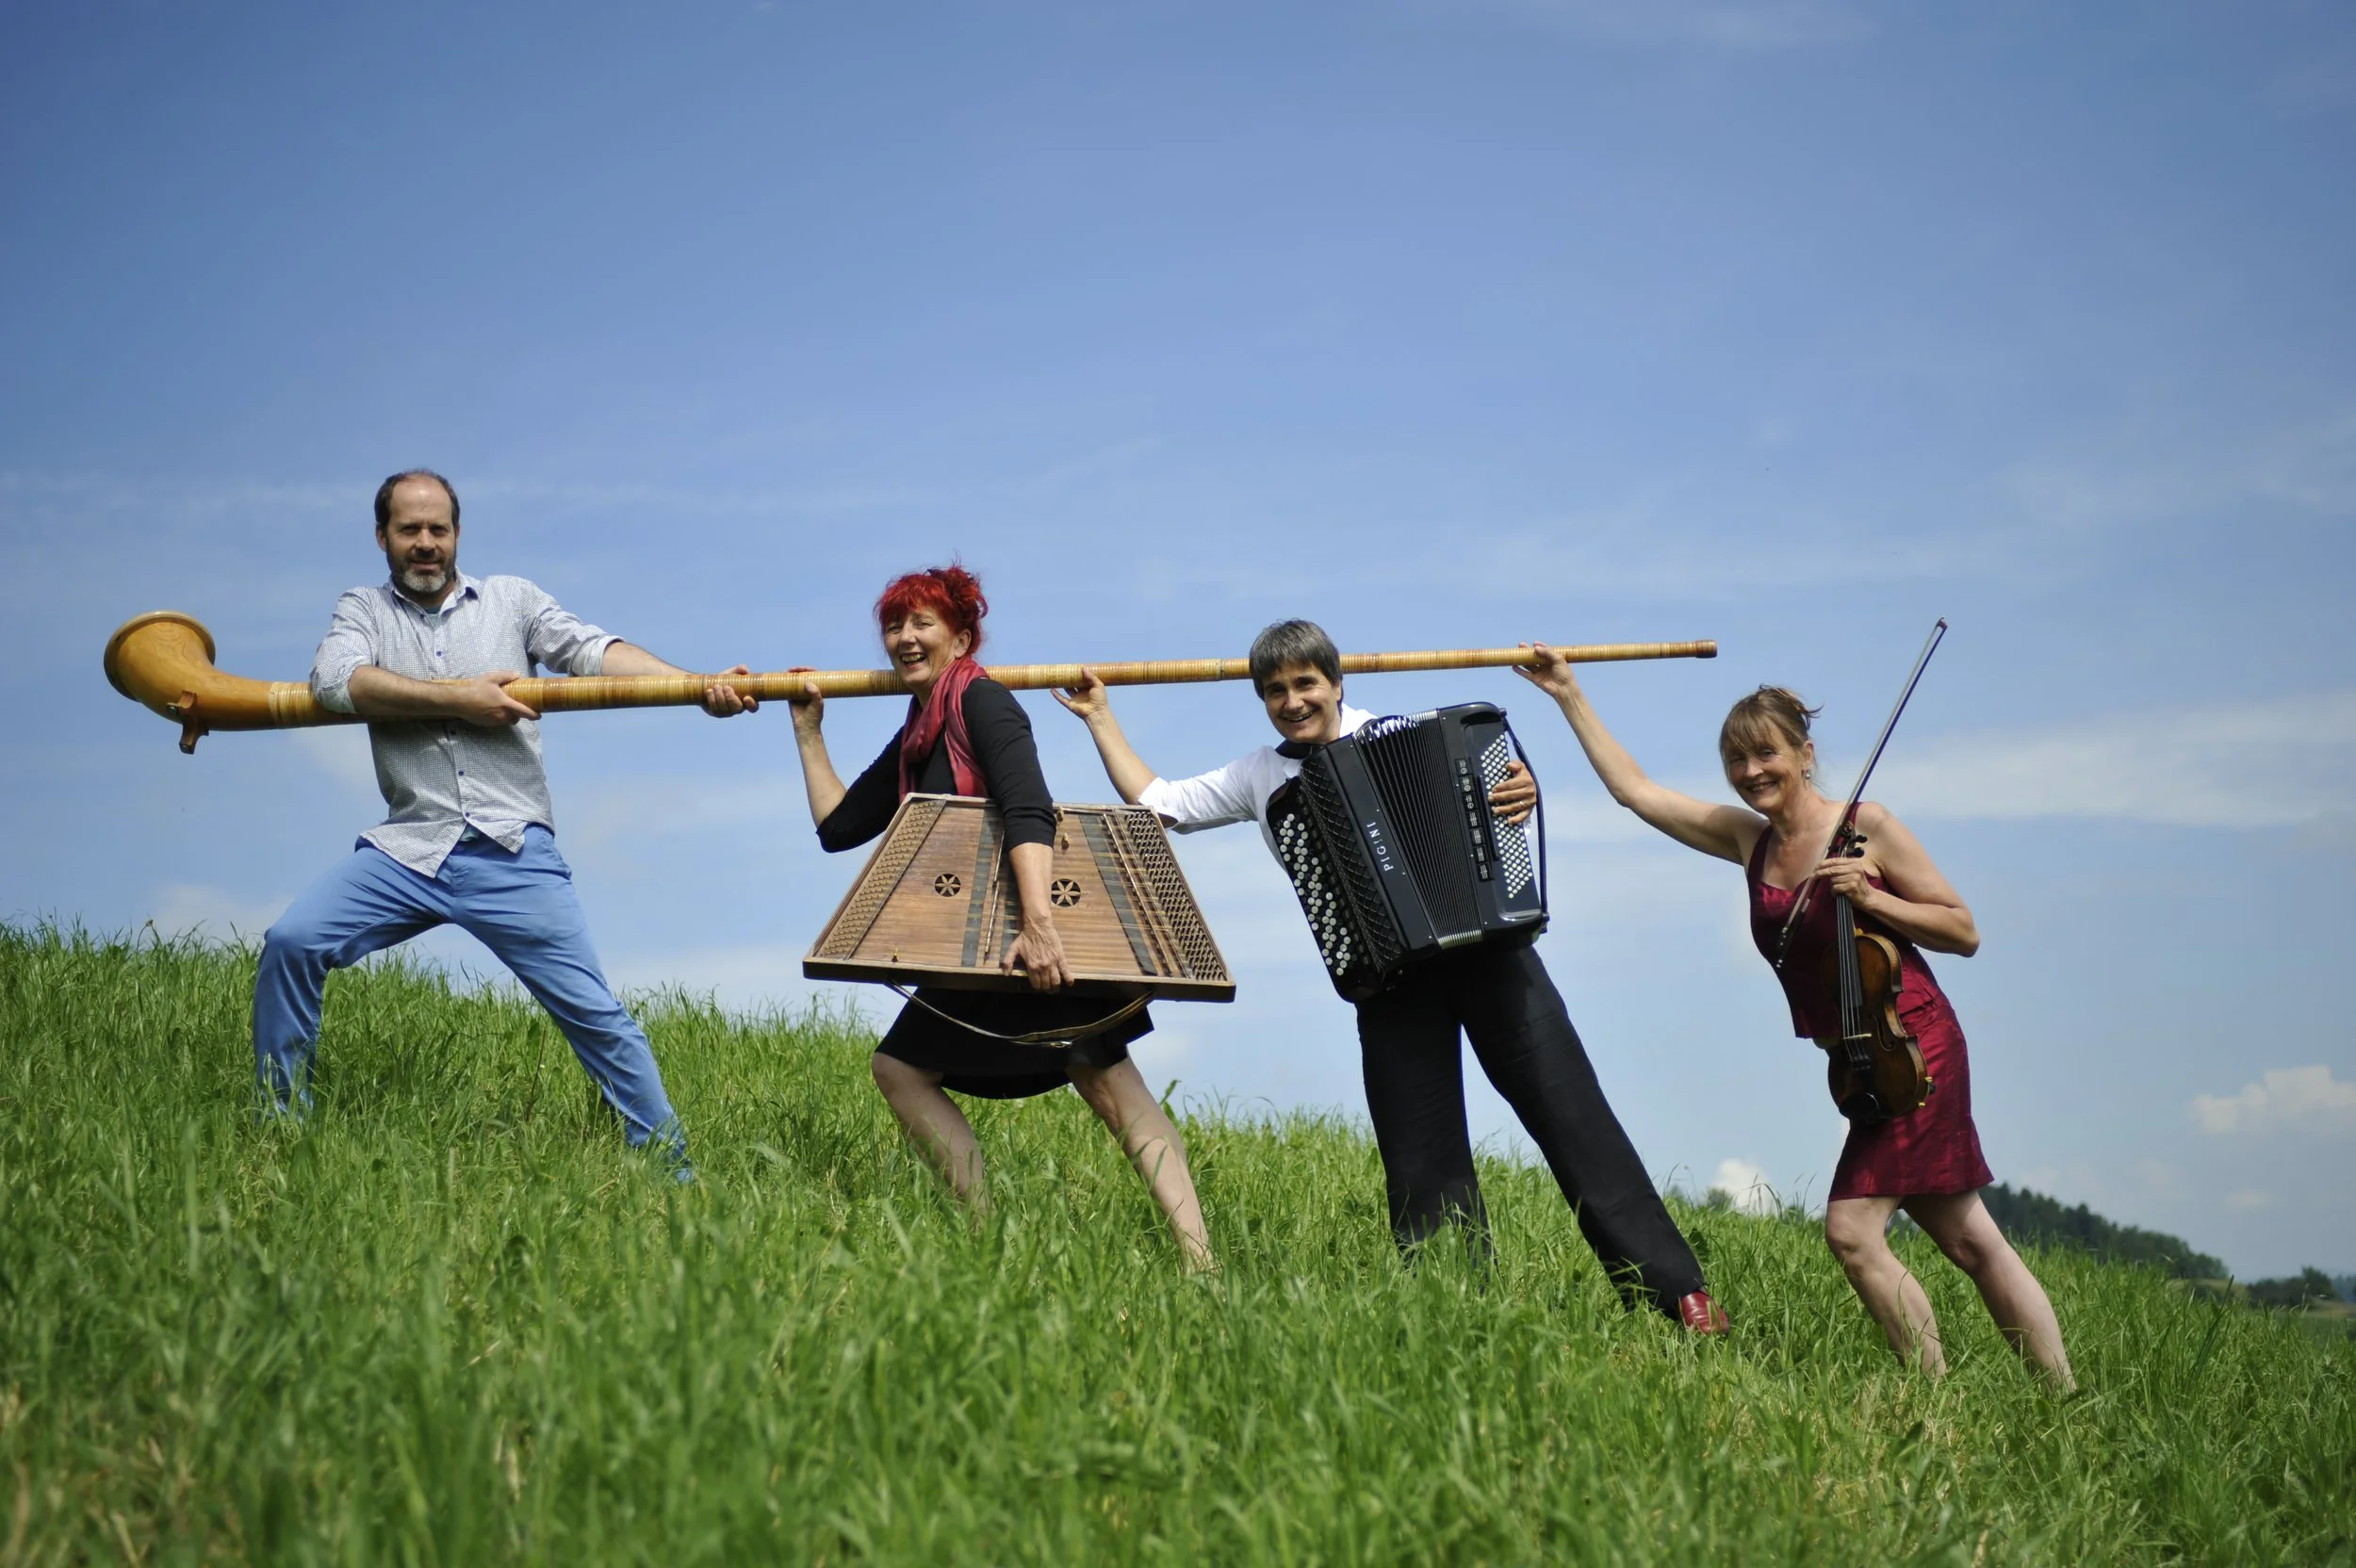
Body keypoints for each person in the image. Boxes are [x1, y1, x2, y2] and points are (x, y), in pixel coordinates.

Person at [1055, 619, 1725, 1331]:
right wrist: (1101, 716)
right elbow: (1160, 804)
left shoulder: (1408, 732)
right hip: (1389, 984)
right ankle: (1455, 1315)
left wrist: (1516, 792)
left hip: (1493, 962)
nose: (1293, 701)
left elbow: (1498, 803)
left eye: (1306, 683)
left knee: (1574, 1118)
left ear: (1337, 684)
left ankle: (1675, 1295)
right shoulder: (1261, 773)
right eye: (1275, 691)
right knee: (1420, 1157)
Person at [1519, 647, 2073, 1385]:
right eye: (1736, 761)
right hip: (1860, 1060)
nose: (1751, 773)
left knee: (1851, 1232)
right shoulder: (1751, 841)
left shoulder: (1866, 826)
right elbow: (1637, 793)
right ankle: (2062, 1397)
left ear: (1804, 754)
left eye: (1765, 754)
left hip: (1916, 1045)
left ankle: (1936, 1399)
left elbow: (1962, 930)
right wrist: (1568, 694)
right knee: (1970, 1239)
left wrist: (1873, 897)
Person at [254, 469, 755, 1171]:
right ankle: (280, 1128)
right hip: (410, 848)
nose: (425, 544)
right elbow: (337, 682)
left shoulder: (511, 601)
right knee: (293, 941)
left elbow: (593, 651)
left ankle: (675, 1173)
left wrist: (695, 686)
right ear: (382, 538)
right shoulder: (363, 609)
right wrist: (459, 696)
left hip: (514, 852)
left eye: (438, 529)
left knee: (596, 1017)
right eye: (409, 531)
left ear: (457, 534)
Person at [786, 565, 1215, 1271]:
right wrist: (809, 732)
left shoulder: (985, 702)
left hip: (1030, 925)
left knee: (1106, 1082)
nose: (905, 637)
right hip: (980, 939)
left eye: (922, 623)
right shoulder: (918, 733)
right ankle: (993, 1244)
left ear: (961, 637)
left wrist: (1040, 925)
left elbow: (1028, 807)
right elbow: (839, 827)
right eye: (895, 625)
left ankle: (1201, 1265)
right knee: (909, 1069)